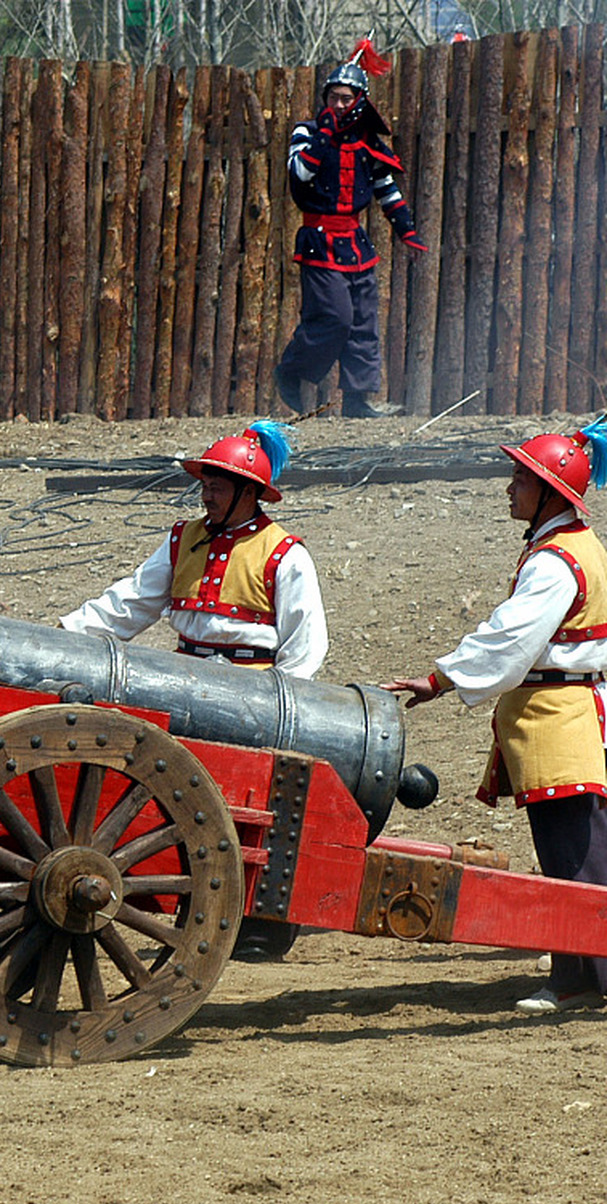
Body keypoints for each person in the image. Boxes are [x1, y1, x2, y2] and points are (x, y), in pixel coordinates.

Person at [383, 426, 607, 1014]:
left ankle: (579, 978)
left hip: (558, 720)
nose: (509, 489)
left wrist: (438, 679)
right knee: (573, 850)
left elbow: (510, 640)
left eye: (520, 480)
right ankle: (576, 967)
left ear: (551, 492)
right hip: (563, 713)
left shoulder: (557, 562)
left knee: (574, 855)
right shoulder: (572, 545)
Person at [59, 420, 329, 680]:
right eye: (205, 487)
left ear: (248, 492)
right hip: (182, 679)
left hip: (254, 692)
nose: (206, 497)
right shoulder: (183, 538)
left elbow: (304, 646)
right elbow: (133, 601)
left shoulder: (285, 554)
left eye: (217, 489)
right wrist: (71, 633)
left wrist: (280, 705)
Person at [273, 40, 427, 420]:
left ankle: (357, 402)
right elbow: (299, 174)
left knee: (362, 322)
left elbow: (385, 189)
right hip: (319, 240)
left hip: (356, 243)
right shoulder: (306, 132)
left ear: (360, 99)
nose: (339, 104)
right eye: (333, 97)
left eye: (347, 98)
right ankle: (290, 372)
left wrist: (405, 229)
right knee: (335, 317)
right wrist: (325, 138)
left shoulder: (365, 144)